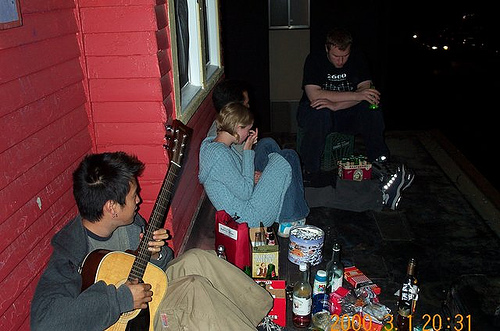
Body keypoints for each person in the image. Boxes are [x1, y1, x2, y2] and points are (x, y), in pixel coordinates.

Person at [30, 152, 276, 330]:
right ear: (112, 208)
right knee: (193, 289)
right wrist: (121, 299)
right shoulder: (71, 256)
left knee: (198, 259)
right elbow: (45, 323)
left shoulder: (130, 225)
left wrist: (156, 255)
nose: (139, 200)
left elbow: (156, 269)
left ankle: (260, 314)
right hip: (131, 324)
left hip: (149, 296)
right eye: (133, 195)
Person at [206, 79, 309, 234]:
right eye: (245, 105)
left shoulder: (216, 140)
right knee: (289, 156)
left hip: (244, 186)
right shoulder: (220, 156)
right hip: (250, 214)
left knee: (267, 144)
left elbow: (233, 173)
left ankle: (285, 205)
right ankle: (290, 219)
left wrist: (251, 165)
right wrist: (248, 153)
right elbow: (245, 192)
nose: (249, 132)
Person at [297, 27, 390, 178]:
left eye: (345, 56)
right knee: (320, 112)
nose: (341, 61)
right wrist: (356, 96)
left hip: (345, 111)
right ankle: (310, 168)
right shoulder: (314, 59)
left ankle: (379, 160)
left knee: (372, 107)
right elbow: (315, 95)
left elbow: (367, 93)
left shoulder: (358, 57)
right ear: (327, 48)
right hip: (314, 111)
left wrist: (336, 105)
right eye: (336, 56)